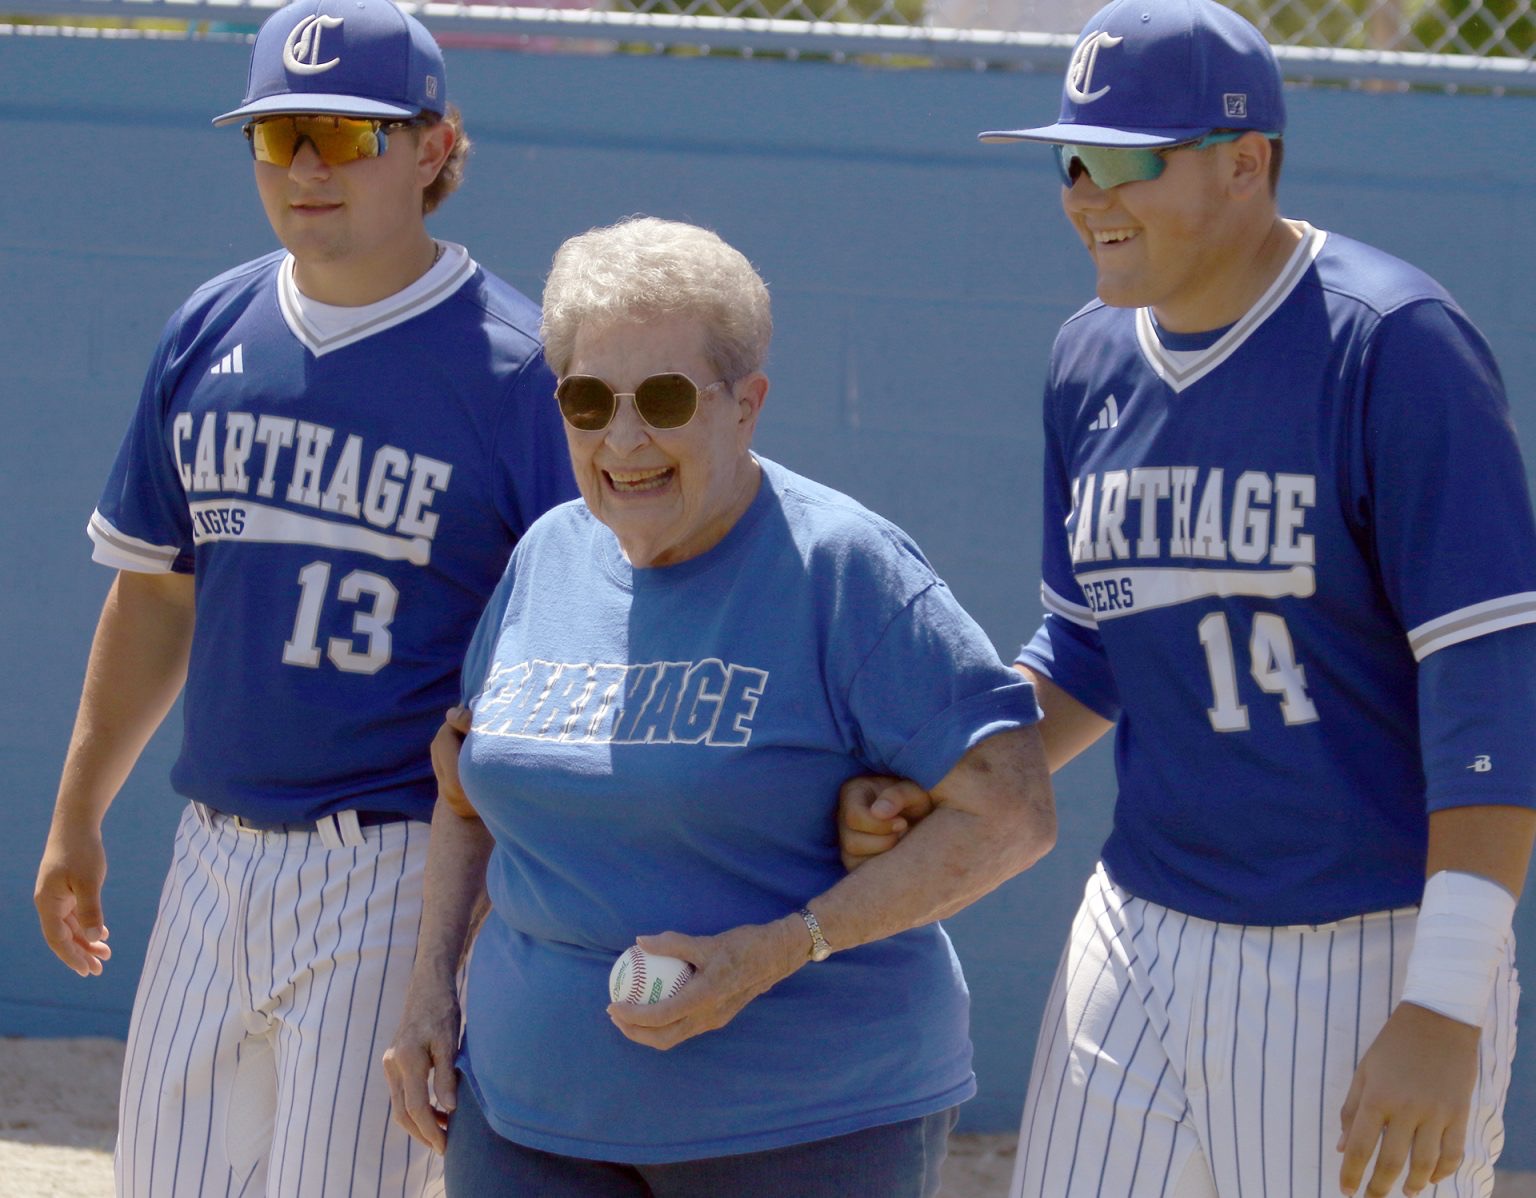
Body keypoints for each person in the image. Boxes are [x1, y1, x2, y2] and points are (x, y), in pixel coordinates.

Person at [839, 2, 1536, 1196]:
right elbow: (1092, 648)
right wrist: (952, 774)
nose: (1084, 194)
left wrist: (1445, 998)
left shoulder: (1391, 343)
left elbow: (1492, 684)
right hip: (1141, 923)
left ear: (1244, 163)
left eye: (1122, 161)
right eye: (1071, 159)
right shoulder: (1090, 360)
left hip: (1360, 948)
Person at [380, 216, 1059, 1197]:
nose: (623, 440)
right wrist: (428, 993)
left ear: (748, 405)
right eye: (586, 401)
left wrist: (775, 951)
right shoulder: (547, 557)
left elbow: (1013, 812)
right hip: (527, 1116)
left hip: (803, 1126)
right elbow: (470, 796)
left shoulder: (842, 569)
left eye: (662, 399)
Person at [31, 2, 574, 1194]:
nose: (309, 167)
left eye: (343, 131)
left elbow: (573, 655)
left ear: (433, 147)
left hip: (393, 863)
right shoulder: (209, 328)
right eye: (279, 138)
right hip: (207, 853)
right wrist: (79, 812)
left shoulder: (520, 367)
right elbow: (157, 599)